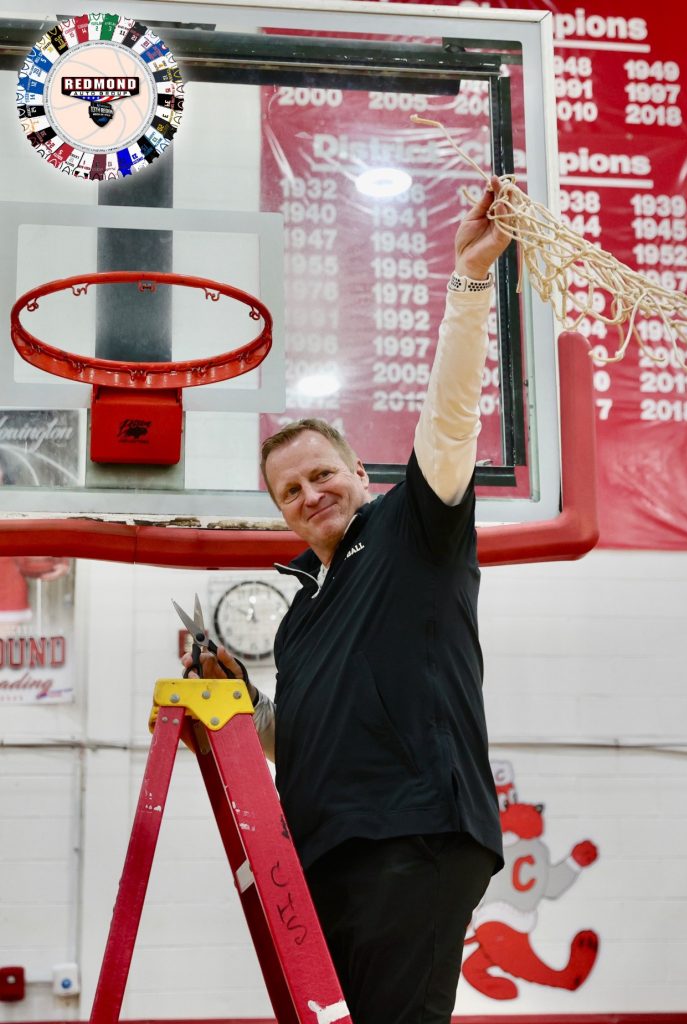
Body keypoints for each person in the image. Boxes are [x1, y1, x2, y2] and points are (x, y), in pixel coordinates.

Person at [185, 180, 511, 1024]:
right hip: (325, 854)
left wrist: (468, 281)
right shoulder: (299, 614)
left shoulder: (413, 528)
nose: (310, 494)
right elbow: (296, 739)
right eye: (290, 491)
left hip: (415, 835)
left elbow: (450, 418)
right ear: (279, 510)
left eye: (323, 474)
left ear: (361, 474)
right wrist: (242, 702)